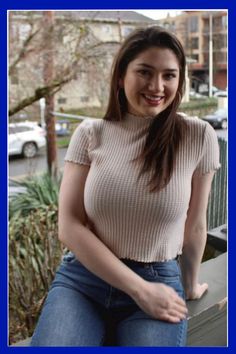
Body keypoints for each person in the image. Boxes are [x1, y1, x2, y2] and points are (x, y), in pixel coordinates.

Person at [31, 26, 220, 347]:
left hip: (158, 278)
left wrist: (189, 286)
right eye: (145, 72)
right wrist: (138, 289)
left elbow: (196, 223)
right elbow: (70, 225)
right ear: (121, 76)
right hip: (83, 280)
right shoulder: (90, 133)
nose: (157, 86)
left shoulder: (198, 136)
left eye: (169, 75)